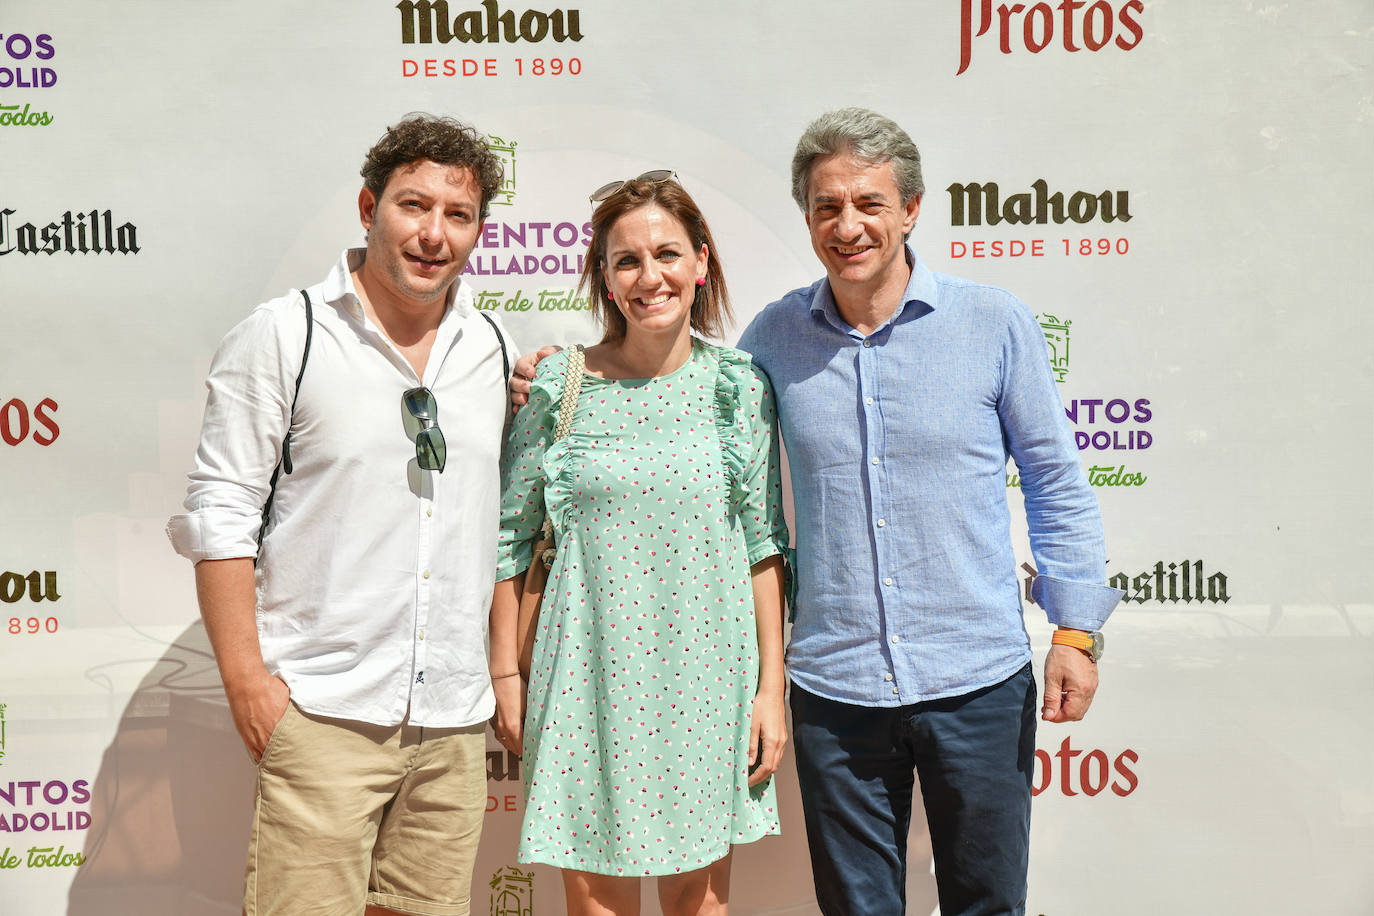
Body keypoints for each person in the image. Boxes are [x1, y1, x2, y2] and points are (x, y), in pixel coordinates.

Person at [512, 109, 1123, 916]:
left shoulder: (994, 323)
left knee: (988, 905)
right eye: (827, 207)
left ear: (910, 209)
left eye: (870, 203)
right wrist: (564, 375)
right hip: (839, 697)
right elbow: (665, 379)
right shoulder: (771, 344)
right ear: (806, 219)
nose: (849, 225)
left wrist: (1076, 631)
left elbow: (1055, 481)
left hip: (976, 678)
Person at [167, 114, 514, 916]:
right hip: (322, 711)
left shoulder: (490, 346)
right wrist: (249, 683)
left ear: (477, 232)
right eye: (412, 206)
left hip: (453, 724)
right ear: (368, 207)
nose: (433, 234)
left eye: (457, 216)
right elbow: (220, 513)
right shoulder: (285, 335)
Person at [488, 172, 788, 916]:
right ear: (605, 280)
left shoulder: (738, 386)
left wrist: (770, 690)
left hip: (706, 677)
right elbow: (510, 539)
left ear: (701, 263)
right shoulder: (559, 388)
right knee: (595, 900)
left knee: (700, 901)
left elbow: (762, 545)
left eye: (667, 253)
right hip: (585, 675)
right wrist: (506, 677)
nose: (650, 275)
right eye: (627, 260)